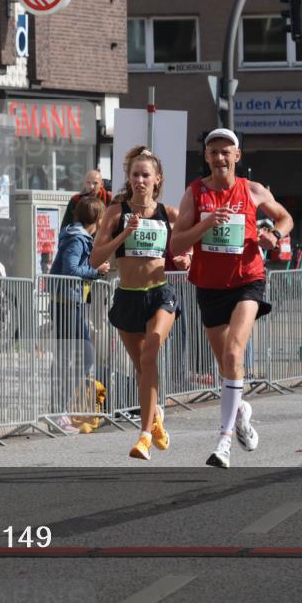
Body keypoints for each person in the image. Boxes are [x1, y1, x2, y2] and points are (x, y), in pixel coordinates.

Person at [170, 128, 293, 469]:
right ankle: (240, 411)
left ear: (238, 156)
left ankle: (223, 443)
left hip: (247, 281)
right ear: (206, 157)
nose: (220, 158)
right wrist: (204, 227)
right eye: (214, 152)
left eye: (226, 152)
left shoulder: (252, 191)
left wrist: (274, 234)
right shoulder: (195, 194)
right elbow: (177, 244)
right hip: (209, 285)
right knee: (226, 367)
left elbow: (285, 217)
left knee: (233, 352)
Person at [90, 146, 181, 461]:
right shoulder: (116, 213)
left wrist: (187, 256)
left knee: (150, 352)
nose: (140, 180)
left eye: (146, 175)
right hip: (128, 295)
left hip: (160, 293)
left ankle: (143, 436)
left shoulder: (169, 214)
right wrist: (123, 235)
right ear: (128, 179)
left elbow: (186, 246)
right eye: (135, 175)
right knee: (142, 368)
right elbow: (95, 258)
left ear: (157, 180)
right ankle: (155, 418)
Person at [50, 196, 109, 432]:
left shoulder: (76, 236)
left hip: (70, 302)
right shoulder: (77, 239)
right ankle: (59, 412)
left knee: (78, 356)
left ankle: (62, 410)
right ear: (96, 218)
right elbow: (71, 269)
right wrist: (96, 271)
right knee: (77, 357)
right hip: (66, 302)